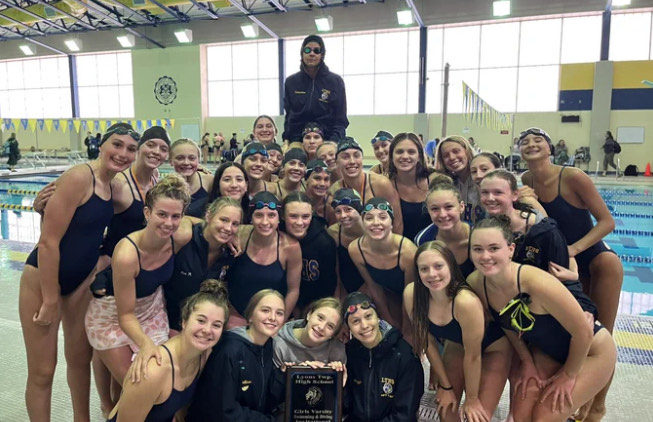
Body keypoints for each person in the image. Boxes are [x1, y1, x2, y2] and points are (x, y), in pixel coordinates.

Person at [19, 122, 139, 421]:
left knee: (79, 360)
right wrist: (49, 298)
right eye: (117, 144)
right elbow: (48, 243)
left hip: (80, 283)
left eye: (130, 148)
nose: (123, 153)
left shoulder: (112, 185)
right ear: (102, 145)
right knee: (43, 370)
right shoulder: (78, 177)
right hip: (42, 281)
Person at [466, 216, 617, 422]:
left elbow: (583, 331)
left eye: (494, 248)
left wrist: (568, 375)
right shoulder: (477, 283)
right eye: (477, 249)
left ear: (510, 250)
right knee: (521, 416)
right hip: (547, 352)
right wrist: (527, 361)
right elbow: (507, 325)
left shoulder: (535, 282)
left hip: (591, 351)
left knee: (545, 415)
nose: (485, 256)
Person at [520, 127, 622, 420]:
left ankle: (597, 407)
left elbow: (607, 222)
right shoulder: (526, 181)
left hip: (596, 262)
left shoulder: (573, 177)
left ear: (550, 148)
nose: (531, 144)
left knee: (600, 336)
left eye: (538, 140)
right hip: (561, 267)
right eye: (525, 142)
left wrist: (574, 250)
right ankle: (579, 396)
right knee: (573, 335)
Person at [85, 174, 189, 393]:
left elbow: (205, 223)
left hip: (152, 311)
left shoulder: (178, 237)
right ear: (147, 213)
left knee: (163, 385)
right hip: (113, 317)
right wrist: (146, 344)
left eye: (175, 216)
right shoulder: (127, 254)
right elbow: (125, 315)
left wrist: (235, 235)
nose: (169, 223)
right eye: (161, 214)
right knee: (140, 389)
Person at [404, 241, 511, 422]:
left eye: (438, 266)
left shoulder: (465, 302)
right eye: (424, 269)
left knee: (477, 416)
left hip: (493, 348)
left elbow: (473, 356)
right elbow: (427, 342)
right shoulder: (412, 294)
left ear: (451, 267)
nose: (432, 274)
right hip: (457, 344)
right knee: (446, 412)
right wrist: (445, 387)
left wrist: (471, 399)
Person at [479, 169, 597, 319]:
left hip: (544, 305)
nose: (490, 198)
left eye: (498, 193)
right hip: (507, 304)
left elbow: (563, 275)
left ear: (515, 195)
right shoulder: (484, 227)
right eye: (484, 193)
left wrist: (583, 308)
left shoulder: (542, 230)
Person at [107, 279, 229, 422]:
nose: (207, 330)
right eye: (201, 321)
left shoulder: (203, 355)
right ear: (184, 321)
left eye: (216, 325)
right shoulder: (153, 372)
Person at [186, 289, 286, 421]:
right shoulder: (229, 350)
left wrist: (290, 375)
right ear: (250, 316)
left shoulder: (267, 345)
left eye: (279, 313)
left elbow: (262, 396)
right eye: (265, 310)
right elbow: (223, 410)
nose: (273, 317)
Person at [165, 197, 243, 333]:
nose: (228, 228)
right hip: (167, 321)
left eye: (235, 224)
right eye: (224, 220)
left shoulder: (231, 253)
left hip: (203, 326)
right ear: (208, 216)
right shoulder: (184, 239)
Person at [343, 292, 424, 421]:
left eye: (368, 316)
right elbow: (344, 408)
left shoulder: (405, 357)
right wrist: (337, 384)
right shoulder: (348, 354)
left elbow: (404, 415)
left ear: (378, 317)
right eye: (356, 321)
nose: (364, 325)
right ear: (349, 327)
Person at [226, 192, 301, 328]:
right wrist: (229, 235)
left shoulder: (290, 247)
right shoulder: (240, 234)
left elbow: (293, 290)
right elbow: (209, 224)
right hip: (235, 317)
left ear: (279, 219)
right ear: (251, 218)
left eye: (271, 215)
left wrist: (279, 322)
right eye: (259, 215)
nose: (265, 222)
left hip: (269, 320)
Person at [348, 198, 417, 340]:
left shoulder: (408, 251)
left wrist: (407, 326)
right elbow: (373, 286)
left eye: (383, 217)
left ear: (391, 223)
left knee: (409, 335)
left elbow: (410, 292)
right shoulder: (356, 249)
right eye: (369, 218)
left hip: (411, 297)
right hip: (388, 294)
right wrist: (388, 320)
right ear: (362, 223)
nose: (376, 223)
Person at [328, 137, 404, 234]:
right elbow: (336, 227)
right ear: (337, 162)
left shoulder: (380, 184)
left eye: (356, 156)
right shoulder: (334, 190)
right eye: (345, 157)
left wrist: (394, 247)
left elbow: (397, 223)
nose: (352, 161)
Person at [283, 34, 348, 144]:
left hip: (327, 140)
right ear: (302, 53)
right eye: (307, 50)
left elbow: (340, 119)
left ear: (322, 55)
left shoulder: (335, 81)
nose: (311, 54)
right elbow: (289, 116)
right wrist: (287, 140)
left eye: (316, 50)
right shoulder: (291, 82)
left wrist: (333, 142)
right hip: (298, 140)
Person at [281, 192, 337, 315]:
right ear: (283, 216)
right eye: (293, 216)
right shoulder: (275, 234)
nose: (300, 223)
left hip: (312, 307)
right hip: (278, 302)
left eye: (305, 217)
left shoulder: (324, 243)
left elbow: (328, 287)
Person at [414, 180, 476, 278]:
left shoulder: (477, 237)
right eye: (435, 209)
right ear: (428, 211)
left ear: (461, 207)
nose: (442, 215)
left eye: (449, 207)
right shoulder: (423, 239)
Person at [273, 297, 345, 370]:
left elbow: (341, 380)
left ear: (333, 335)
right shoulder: (280, 344)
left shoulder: (337, 351)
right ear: (309, 315)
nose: (322, 327)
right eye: (320, 318)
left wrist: (336, 374)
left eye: (330, 326)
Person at [388, 132, 435, 242]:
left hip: (432, 250)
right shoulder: (386, 186)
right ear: (392, 156)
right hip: (401, 249)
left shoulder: (433, 180)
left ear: (419, 156)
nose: (405, 156)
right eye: (399, 152)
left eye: (411, 152)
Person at [328, 188, 366, 296]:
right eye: (338, 211)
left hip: (373, 287)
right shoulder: (334, 233)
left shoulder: (372, 230)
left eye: (348, 209)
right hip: (346, 289)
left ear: (359, 209)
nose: (343, 216)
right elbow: (335, 272)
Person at [434, 135, 481, 223]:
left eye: (456, 151)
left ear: (467, 152)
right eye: (446, 155)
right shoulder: (446, 186)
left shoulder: (484, 181)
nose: (451, 157)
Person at [169, 138, 214, 218]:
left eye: (192, 158)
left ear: (198, 160)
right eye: (180, 158)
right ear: (170, 161)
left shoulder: (208, 181)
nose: (186, 162)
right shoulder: (165, 186)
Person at [303, 159, 334, 225]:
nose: (322, 184)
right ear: (306, 180)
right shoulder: (297, 201)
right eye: (317, 178)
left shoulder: (331, 206)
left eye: (326, 179)